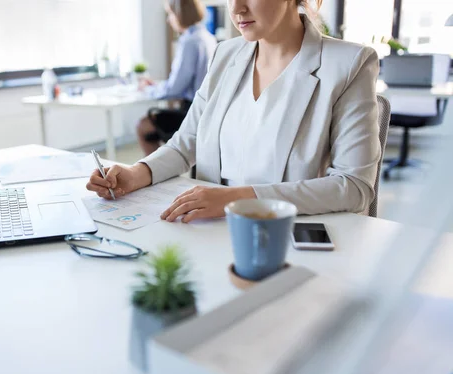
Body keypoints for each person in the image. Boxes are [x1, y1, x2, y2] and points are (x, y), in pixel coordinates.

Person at [88, 0, 381, 222]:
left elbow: (355, 187)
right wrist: (138, 172)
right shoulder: (226, 53)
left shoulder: (349, 63)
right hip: (208, 228)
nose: (237, 8)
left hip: (283, 235)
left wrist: (238, 199)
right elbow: (185, 143)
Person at [137, 0, 217, 156]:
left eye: (171, 14)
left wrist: (149, 89)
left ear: (180, 14)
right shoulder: (208, 37)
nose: (169, 20)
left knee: (143, 125)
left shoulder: (189, 41)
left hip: (191, 113)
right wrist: (157, 86)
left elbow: (175, 88)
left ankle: (156, 173)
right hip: (207, 111)